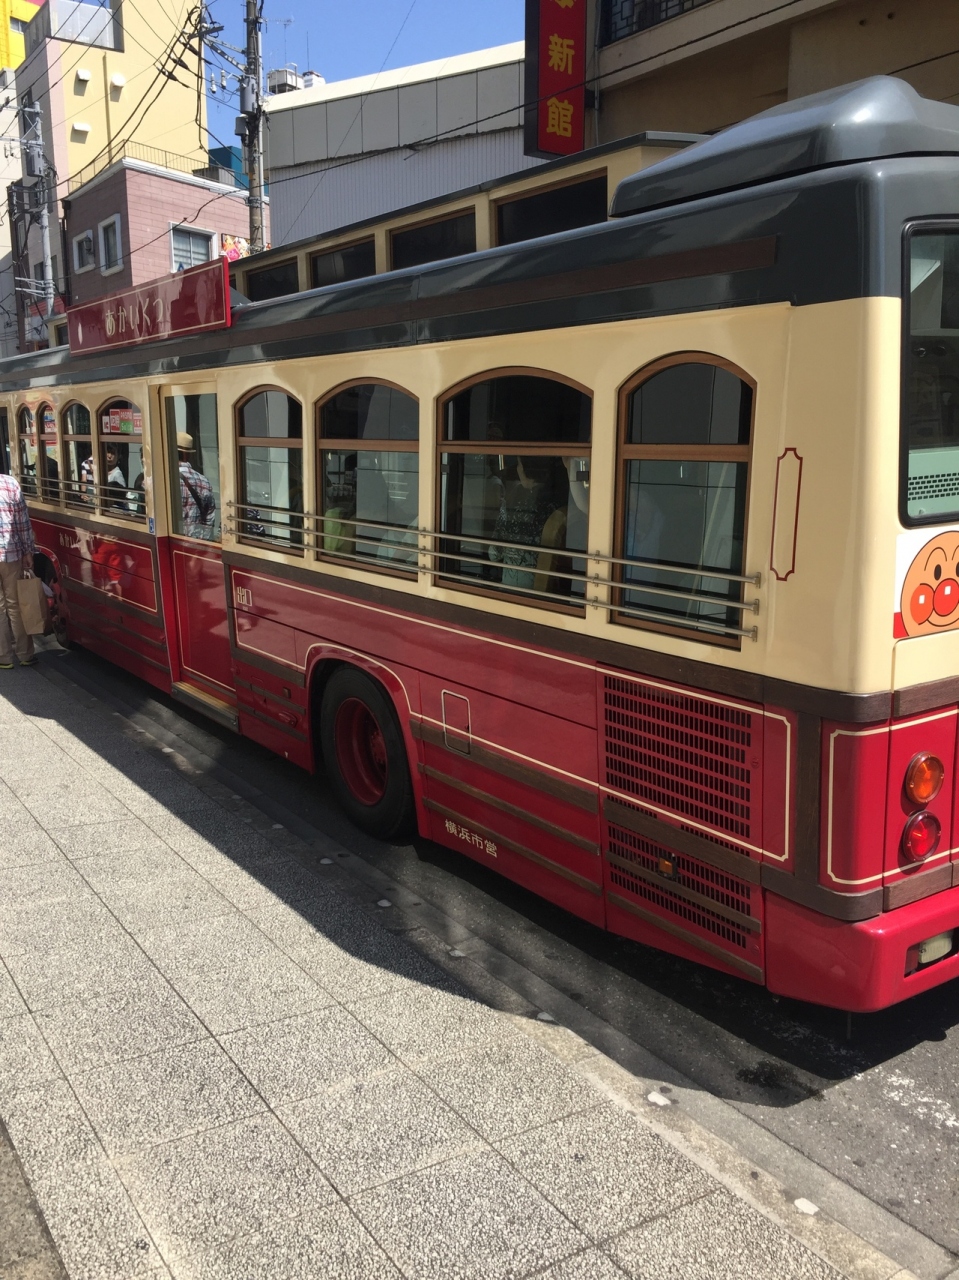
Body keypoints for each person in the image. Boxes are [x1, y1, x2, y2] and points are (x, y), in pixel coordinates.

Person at [488, 456, 558, 590]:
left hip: (515, 587)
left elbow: (494, 554)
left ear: (526, 469)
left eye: (519, 465)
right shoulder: (556, 501)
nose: (517, 469)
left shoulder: (514, 504)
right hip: (548, 586)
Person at [0, 471, 37, 669]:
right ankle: (25, 654)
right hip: (11, 555)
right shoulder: (10, 484)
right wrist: (27, 551)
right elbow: (22, 522)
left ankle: (4, 657)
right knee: (16, 604)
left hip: (11, 553)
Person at [176, 432, 216, 538]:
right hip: (197, 542)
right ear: (188, 455)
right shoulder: (204, 481)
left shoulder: (166, 479)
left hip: (175, 540)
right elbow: (209, 518)